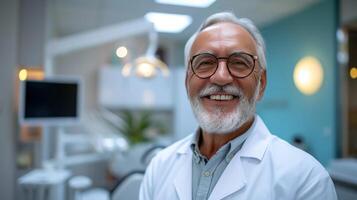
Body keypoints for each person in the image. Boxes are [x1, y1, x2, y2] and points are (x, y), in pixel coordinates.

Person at [139, 12, 337, 200]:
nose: (221, 77)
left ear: (261, 83)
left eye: (239, 62)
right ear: (187, 82)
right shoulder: (159, 167)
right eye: (205, 62)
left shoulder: (306, 179)